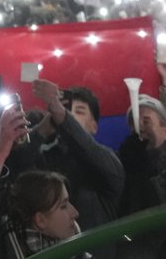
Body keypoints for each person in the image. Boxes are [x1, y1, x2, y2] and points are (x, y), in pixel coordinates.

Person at [0, 103, 84, 258]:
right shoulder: (5, 250)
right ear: (40, 220)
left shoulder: (79, 250)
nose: (75, 213)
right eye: (63, 206)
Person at [32, 80, 124, 237]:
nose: (71, 115)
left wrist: (63, 116)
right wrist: (41, 131)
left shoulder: (107, 160)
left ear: (94, 126)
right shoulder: (45, 158)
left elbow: (88, 147)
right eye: (69, 110)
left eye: (79, 112)